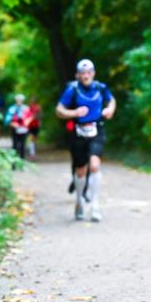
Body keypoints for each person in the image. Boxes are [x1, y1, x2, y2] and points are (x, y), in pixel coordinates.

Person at [55, 59, 116, 222]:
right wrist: (74, 113)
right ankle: (79, 201)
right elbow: (59, 110)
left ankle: (95, 206)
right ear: (78, 75)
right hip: (78, 131)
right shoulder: (72, 89)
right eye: (83, 73)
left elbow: (111, 100)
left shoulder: (100, 87)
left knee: (95, 166)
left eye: (89, 72)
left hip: (97, 129)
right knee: (80, 171)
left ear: (93, 73)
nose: (86, 76)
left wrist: (110, 110)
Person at [5, 94, 34, 163]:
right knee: (15, 145)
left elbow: (30, 117)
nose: (19, 101)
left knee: (22, 145)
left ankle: (22, 161)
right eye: (18, 100)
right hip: (15, 129)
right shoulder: (12, 109)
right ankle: (14, 161)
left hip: (24, 128)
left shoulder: (26, 108)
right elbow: (7, 119)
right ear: (16, 100)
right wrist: (12, 124)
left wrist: (27, 121)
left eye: (21, 100)